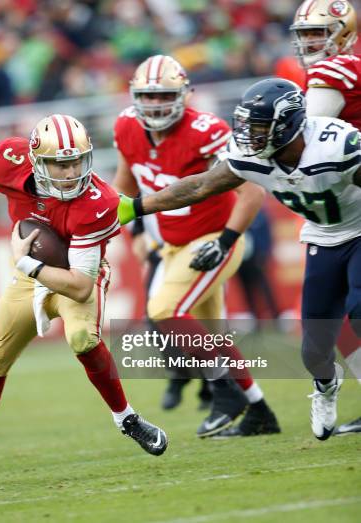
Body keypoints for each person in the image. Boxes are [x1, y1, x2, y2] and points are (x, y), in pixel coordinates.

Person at [0, 114, 168, 462]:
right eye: (60, 165)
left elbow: (81, 289)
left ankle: (126, 418)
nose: (71, 173)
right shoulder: (10, 159)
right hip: (31, 276)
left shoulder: (97, 202)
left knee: (81, 338)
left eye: (75, 162)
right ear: (38, 161)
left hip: (76, 272)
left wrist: (29, 264)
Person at [118, 77, 361, 441]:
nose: (250, 135)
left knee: (357, 315)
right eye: (248, 125)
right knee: (313, 349)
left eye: (260, 127)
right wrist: (136, 207)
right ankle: (324, 388)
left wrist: (227, 237)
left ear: (289, 123)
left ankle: (228, 391)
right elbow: (199, 185)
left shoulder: (336, 146)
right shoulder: (249, 155)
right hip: (322, 237)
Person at [112, 54, 279, 437]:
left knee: (164, 310)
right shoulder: (126, 126)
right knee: (207, 333)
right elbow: (125, 183)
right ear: (135, 96)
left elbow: (252, 191)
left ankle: (223, 389)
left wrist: (226, 241)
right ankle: (260, 411)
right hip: (172, 243)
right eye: (148, 96)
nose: (155, 104)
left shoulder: (207, 130)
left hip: (212, 240)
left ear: (184, 95)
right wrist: (134, 232)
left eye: (164, 95)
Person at [290, 0, 361, 435]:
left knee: (356, 314)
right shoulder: (335, 72)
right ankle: (326, 386)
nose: (310, 42)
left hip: (354, 209)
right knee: (317, 339)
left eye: (320, 32)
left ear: (345, 31)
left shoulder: (333, 73)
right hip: (329, 220)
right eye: (305, 34)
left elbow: (309, 138)